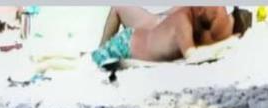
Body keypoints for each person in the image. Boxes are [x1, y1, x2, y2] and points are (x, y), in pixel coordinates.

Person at [93, 6, 235, 66]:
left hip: (155, 29)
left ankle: (100, 51)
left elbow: (193, 55)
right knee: (119, 7)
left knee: (118, 8)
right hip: (159, 24)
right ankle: (100, 50)